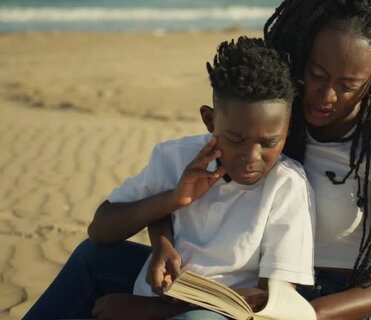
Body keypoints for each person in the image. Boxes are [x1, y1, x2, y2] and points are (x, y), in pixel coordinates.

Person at [26, 0, 371, 320]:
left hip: (328, 301)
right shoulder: (268, 123)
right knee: (92, 259)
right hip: (228, 283)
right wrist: (162, 239)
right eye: (317, 74)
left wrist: (304, 314)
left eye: (348, 86)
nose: (325, 96)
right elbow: (178, 187)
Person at [24, 37, 315, 320]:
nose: (252, 156)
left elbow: (268, 299)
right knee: (90, 257)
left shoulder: (287, 186)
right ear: (210, 120)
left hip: (222, 313)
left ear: (287, 129)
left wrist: (148, 310)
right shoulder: (176, 156)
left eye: (269, 142)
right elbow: (100, 229)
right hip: (159, 292)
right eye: (236, 139)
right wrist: (174, 200)